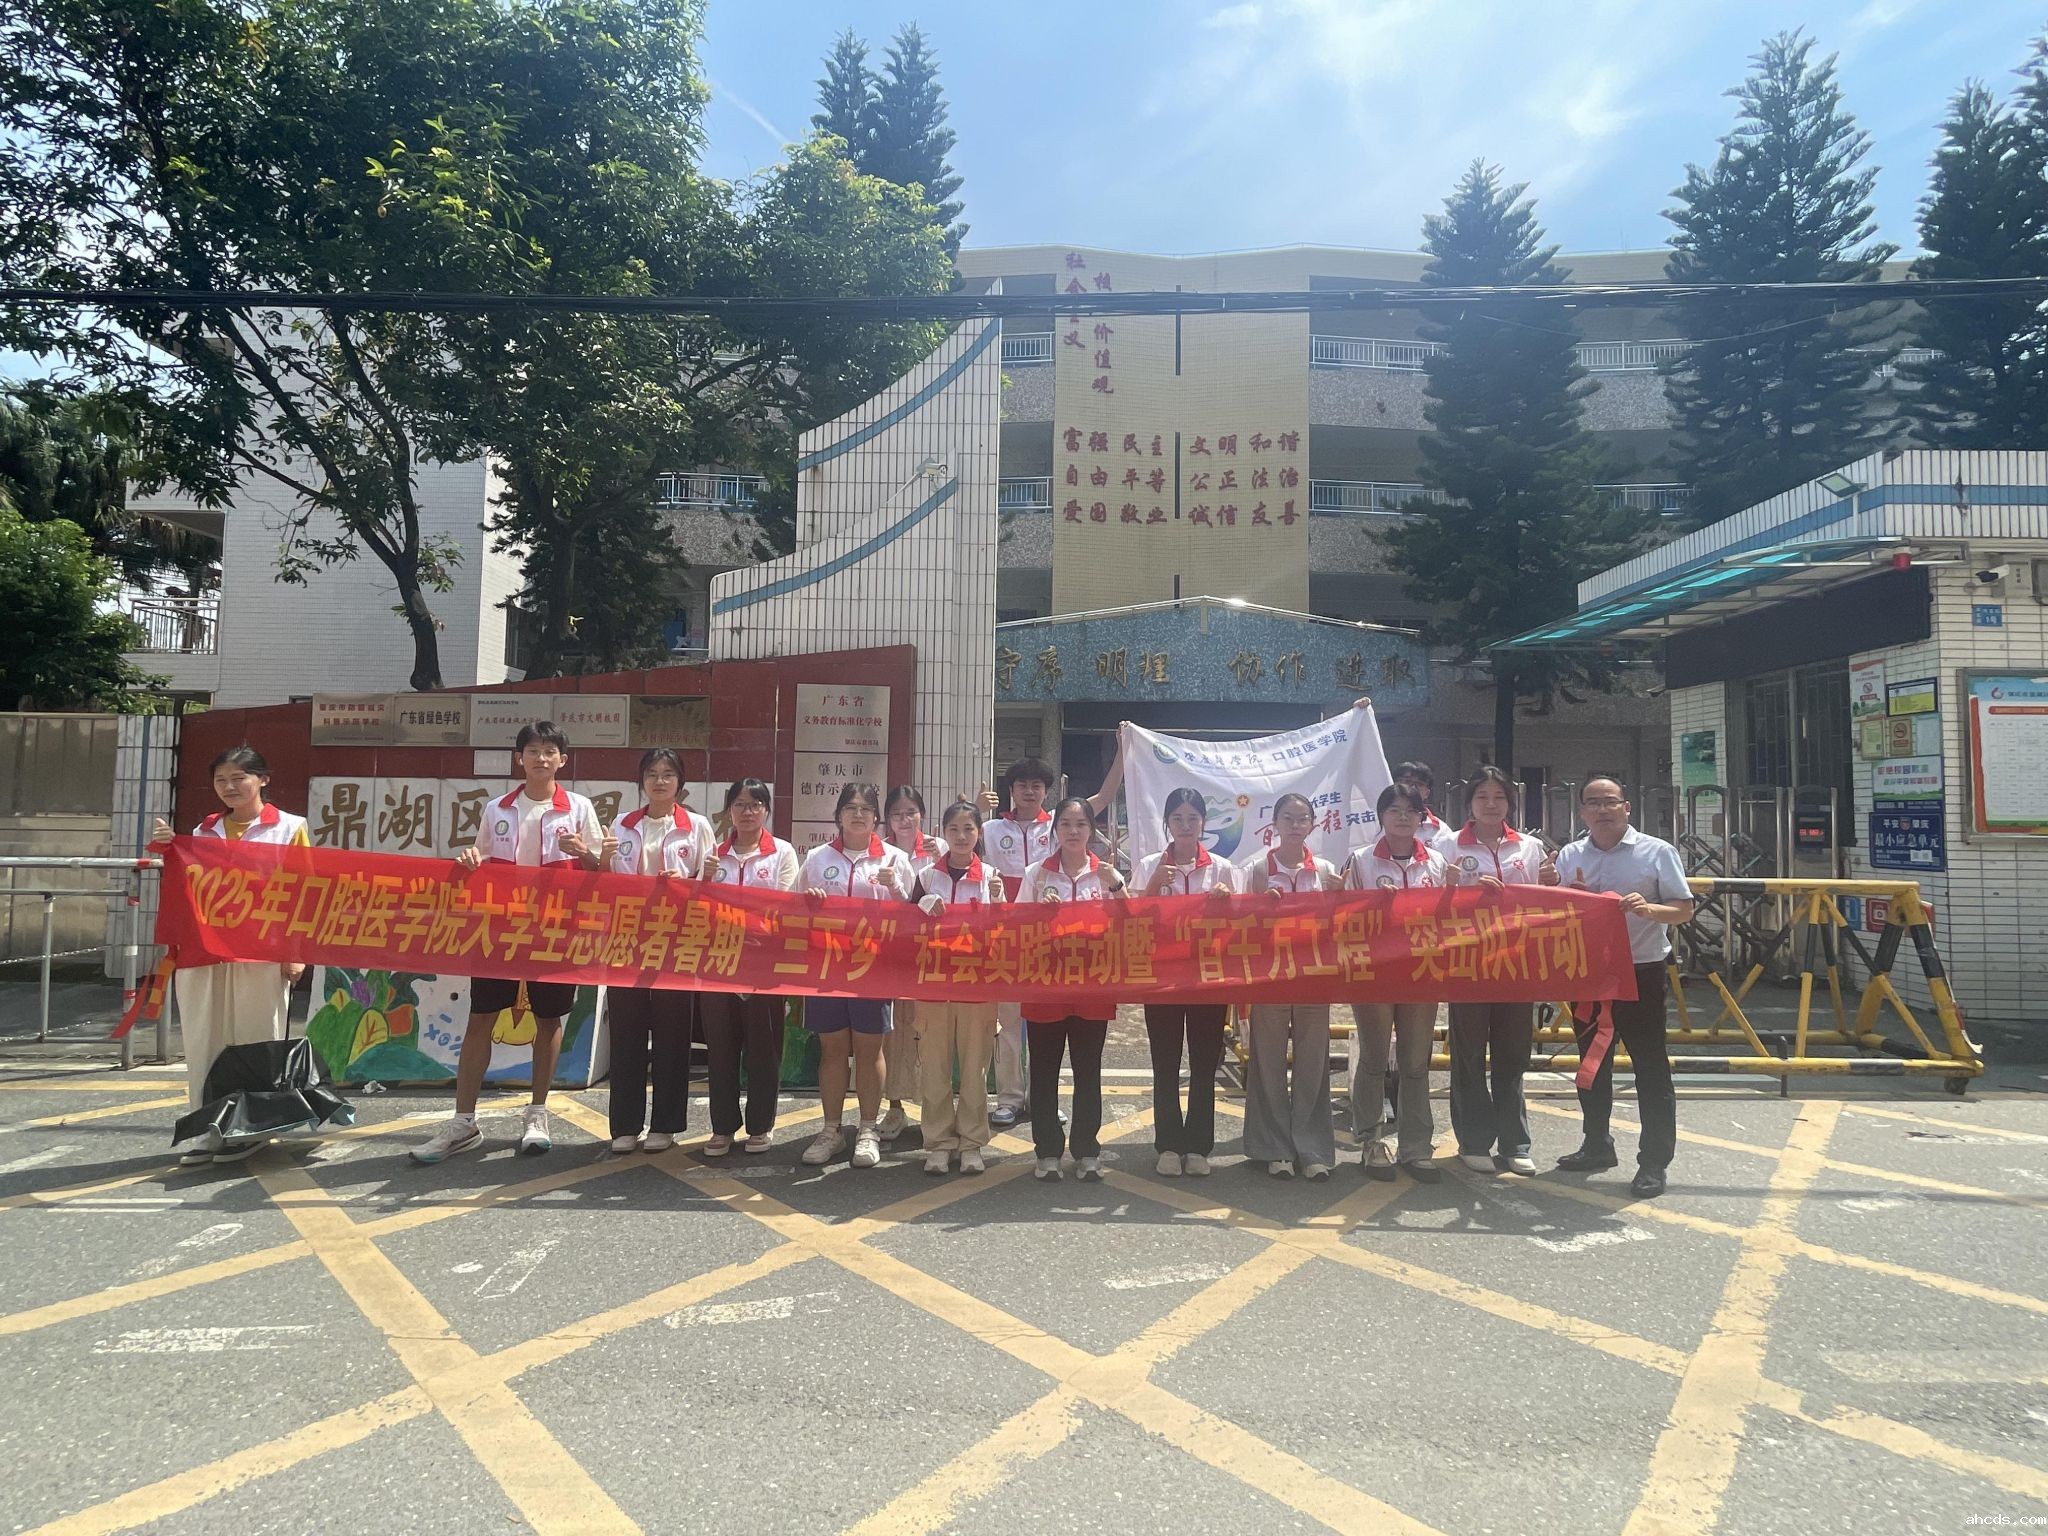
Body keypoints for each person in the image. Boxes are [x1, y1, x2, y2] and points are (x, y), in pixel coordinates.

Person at [411, 721, 610, 1165]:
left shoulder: (578, 808)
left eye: (550, 751)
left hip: (555, 930)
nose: (541, 758)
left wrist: (584, 852)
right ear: (519, 758)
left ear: (563, 760)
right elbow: (480, 858)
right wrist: (469, 859)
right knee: (481, 1017)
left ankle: (537, 1114)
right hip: (500, 929)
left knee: (548, 1019)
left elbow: (603, 872)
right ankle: (463, 1121)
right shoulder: (497, 808)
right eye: (533, 750)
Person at [153, 747, 310, 1166]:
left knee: (255, 1038)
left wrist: (296, 952)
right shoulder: (202, 832)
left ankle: (253, 1128)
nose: (229, 787)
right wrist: (171, 848)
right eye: (221, 780)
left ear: (263, 779)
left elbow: (303, 893)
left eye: (239, 778)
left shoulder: (290, 828)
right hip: (206, 954)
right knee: (205, 1040)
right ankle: (210, 1128)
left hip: (262, 952)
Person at [1553, 775, 1694, 1199]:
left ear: (1626, 807)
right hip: (1588, 973)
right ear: (1582, 811)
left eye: (1610, 802)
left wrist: (1649, 909)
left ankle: (1653, 1162)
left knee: (1650, 1066)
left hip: (1641, 971)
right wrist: (1569, 897)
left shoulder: (1657, 852)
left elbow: (1684, 910)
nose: (1602, 810)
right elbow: (1555, 912)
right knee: (1592, 1064)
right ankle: (1597, 1144)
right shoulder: (1570, 855)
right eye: (1593, 802)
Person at [978, 746, 1125, 1129]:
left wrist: (1123, 751)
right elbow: (954, 847)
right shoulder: (991, 829)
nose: (1029, 792)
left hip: (1057, 947)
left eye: (1037, 786)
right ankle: (1010, 1098)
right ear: (1011, 790)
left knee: (1052, 1029)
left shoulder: (1059, 826)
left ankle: (1043, 1097)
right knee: (1009, 1023)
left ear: (1047, 792)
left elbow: (1104, 797)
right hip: (1009, 936)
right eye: (1022, 785)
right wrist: (977, 811)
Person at [1445, 767, 1557, 1177]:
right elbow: (1429, 906)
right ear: (1469, 804)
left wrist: (1551, 881)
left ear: (1511, 803)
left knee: (1513, 1054)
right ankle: (1473, 1141)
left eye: (1499, 797)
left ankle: (1515, 1143)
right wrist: (1453, 889)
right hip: (1467, 964)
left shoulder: (1529, 847)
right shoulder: (1446, 846)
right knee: (1469, 1054)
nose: (1491, 805)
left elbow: (1544, 903)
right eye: (1482, 797)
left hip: (1517, 963)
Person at [798, 783, 916, 1169]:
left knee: (869, 1049)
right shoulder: (817, 858)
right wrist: (810, 903)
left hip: (873, 970)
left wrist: (893, 887)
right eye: (850, 807)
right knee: (832, 1049)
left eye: (866, 808)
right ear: (838, 815)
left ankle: (867, 1129)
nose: (859, 814)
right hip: (827, 967)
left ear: (876, 817)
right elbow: (795, 908)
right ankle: (831, 1130)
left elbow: (911, 914)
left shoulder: (895, 859)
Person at [604, 747, 714, 1155]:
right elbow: (608, 881)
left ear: (680, 782)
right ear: (642, 781)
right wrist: (601, 859)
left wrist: (683, 885)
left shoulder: (696, 826)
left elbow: (710, 883)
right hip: (628, 941)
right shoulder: (621, 824)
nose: (660, 781)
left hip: (676, 941)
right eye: (652, 774)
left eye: (668, 774)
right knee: (627, 1032)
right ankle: (625, 1124)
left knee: (672, 1033)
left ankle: (665, 1124)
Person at [1017, 797, 1129, 1181]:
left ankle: (1087, 1150)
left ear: (1092, 831)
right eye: (1065, 823)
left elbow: (1131, 922)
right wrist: (1039, 913)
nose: (1073, 831)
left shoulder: (1107, 875)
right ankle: (1047, 1151)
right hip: (1045, 986)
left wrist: (1117, 886)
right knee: (1044, 1070)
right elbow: (1016, 926)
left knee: (1088, 1070)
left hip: (1092, 986)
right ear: (1055, 830)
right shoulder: (1037, 874)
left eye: (1081, 824)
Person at [1344, 781, 1450, 1183]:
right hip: (1375, 972)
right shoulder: (1361, 861)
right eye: (1394, 810)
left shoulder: (1437, 862)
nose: (1403, 817)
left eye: (1411, 810)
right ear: (1381, 817)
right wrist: (1373, 905)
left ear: (1422, 817)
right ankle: (1371, 1142)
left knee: (1415, 1062)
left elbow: (1449, 918)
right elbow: (1342, 917)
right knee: (1373, 1058)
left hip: (1422, 972)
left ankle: (1416, 1148)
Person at [1133, 787, 1238, 1178]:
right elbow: (1131, 921)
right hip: (1161, 977)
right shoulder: (1150, 864)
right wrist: (1153, 886)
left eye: (1193, 818)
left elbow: (1242, 924)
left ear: (1204, 823)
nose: (1185, 825)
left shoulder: (1222, 868)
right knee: (1165, 1061)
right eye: (1177, 818)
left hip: (1208, 979)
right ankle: (1168, 1144)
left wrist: (1227, 902)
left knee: (1204, 1063)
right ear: (1167, 823)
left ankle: (1198, 1146)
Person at [1238, 791, 1342, 1180]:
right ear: (1274, 824)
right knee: (1267, 1061)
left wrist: (1338, 899)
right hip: (1271, 977)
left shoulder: (1326, 871)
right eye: (1288, 818)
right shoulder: (1255, 870)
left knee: (1313, 1062)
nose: (1295, 825)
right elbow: (1239, 925)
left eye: (1302, 819)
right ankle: (1274, 1148)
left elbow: (1339, 926)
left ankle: (1312, 1148)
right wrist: (1258, 904)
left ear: (1313, 824)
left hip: (1314, 978)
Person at [699, 779, 798, 1156]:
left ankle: (760, 1125)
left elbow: (784, 906)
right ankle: (722, 1127)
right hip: (718, 964)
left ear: (766, 810)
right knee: (721, 1049)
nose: (747, 812)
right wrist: (705, 880)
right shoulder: (713, 854)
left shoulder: (782, 853)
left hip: (763, 966)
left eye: (756, 804)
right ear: (729, 811)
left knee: (763, 1048)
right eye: (740, 804)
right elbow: (698, 908)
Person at [912, 800, 1004, 1176]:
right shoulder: (925, 877)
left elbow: (1005, 934)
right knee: (934, 1068)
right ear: (943, 833)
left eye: (969, 829)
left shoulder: (991, 877)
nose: (962, 836)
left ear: (979, 833)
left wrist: (999, 901)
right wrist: (920, 905)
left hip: (976, 987)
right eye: (954, 829)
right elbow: (903, 926)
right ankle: (938, 1143)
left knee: (974, 1070)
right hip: (933, 986)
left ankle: (971, 1142)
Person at [882, 785, 942, 1147]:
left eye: (911, 812)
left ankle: (935, 1107)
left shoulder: (940, 848)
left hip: (933, 957)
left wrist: (941, 859)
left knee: (930, 1032)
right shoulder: (880, 854)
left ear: (922, 814)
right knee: (894, 1032)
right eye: (896, 814)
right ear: (887, 819)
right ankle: (894, 1106)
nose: (904, 820)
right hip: (891, 956)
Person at [1394, 761, 1462, 863]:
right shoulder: (1381, 824)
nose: (1413, 788)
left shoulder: (1441, 831)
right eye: (1407, 782)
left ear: (1427, 793)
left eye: (1419, 784)